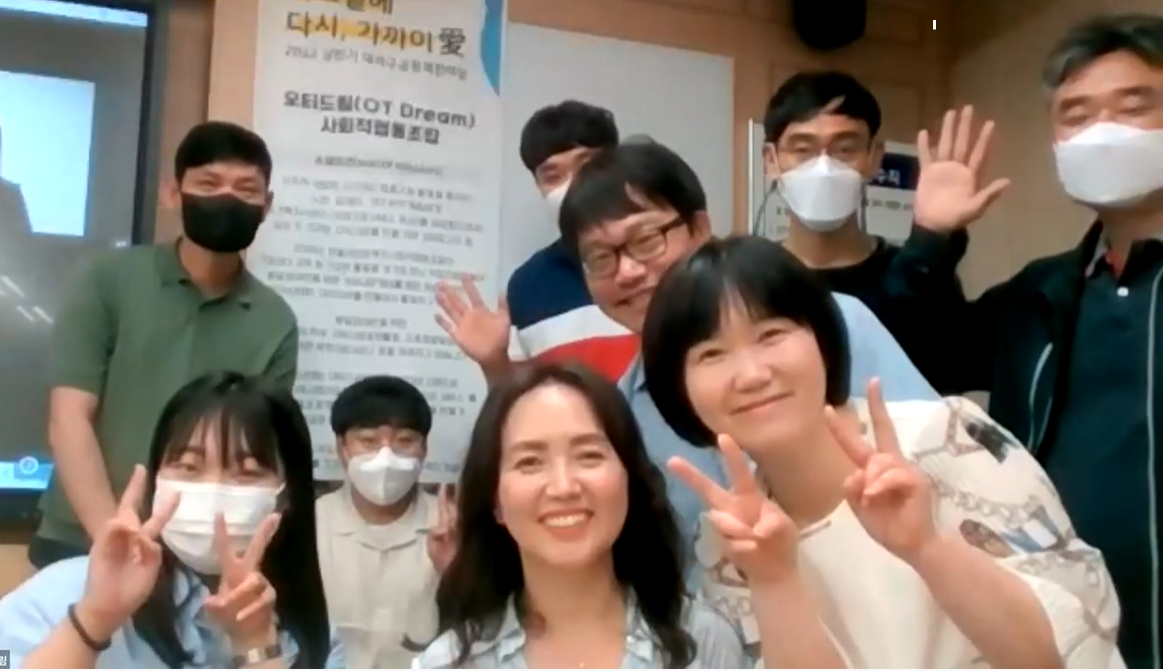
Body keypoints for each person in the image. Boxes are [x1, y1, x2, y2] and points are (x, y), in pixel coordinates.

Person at [639, 235, 1122, 668]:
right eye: (712, 354)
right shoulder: (732, 539)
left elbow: (1061, 654)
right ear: (678, 390)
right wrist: (774, 581)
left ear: (823, 341)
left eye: (772, 335)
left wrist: (927, 547)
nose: (751, 374)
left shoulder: (945, 439)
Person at [885, 13, 1163, 668]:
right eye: (1075, 115)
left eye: (1134, 106)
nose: (1102, 131)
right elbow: (921, 359)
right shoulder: (1041, 294)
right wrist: (929, 242)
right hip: (1054, 638)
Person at [556, 139, 937, 554]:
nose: (627, 271)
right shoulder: (622, 413)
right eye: (600, 257)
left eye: (646, 239)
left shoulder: (832, 324)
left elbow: (937, 455)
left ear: (700, 229)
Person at [31, 121, 300, 569]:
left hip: (196, 551)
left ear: (266, 205)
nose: (227, 199)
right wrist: (113, 537)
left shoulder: (275, 321)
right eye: (209, 184)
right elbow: (69, 418)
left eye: (246, 189)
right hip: (81, 538)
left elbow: (258, 450)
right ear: (173, 193)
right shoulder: (107, 280)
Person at [413, 362, 746, 668]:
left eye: (588, 455)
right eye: (530, 462)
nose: (564, 487)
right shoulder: (449, 662)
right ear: (495, 500)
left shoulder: (701, 641)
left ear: (629, 480)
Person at [0, 372, 342, 668]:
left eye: (247, 472)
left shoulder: (315, 630)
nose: (213, 491)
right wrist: (93, 618)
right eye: (189, 467)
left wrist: (256, 646)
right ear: (156, 479)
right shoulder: (65, 590)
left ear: (287, 495)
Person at [760, 71, 1008, 394]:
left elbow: (943, 378)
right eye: (803, 150)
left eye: (844, 148)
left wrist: (932, 239)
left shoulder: (915, 273)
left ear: (874, 157)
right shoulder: (753, 282)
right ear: (771, 160)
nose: (824, 167)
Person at [434, 101, 638, 385]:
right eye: (553, 176)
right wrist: (494, 361)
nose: (573, 185)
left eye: (587, 166)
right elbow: (520, 399)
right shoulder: (528, 285)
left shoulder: (657, 260)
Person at [315, 375, 456, 668]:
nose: (386, 457)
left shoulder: (452, 528)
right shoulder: (309, 525)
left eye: (405, 441)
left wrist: (459, 570)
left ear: (424, 449)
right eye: (368, 441)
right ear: (342, 448)